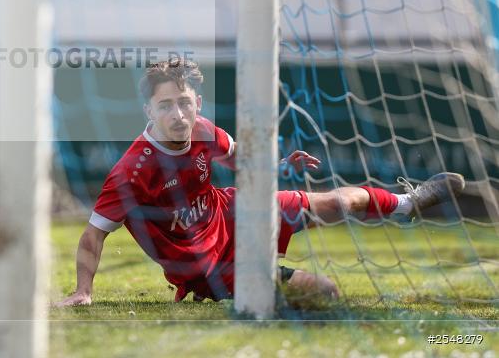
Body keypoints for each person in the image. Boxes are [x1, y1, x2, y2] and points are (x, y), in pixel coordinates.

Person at [57, 58, 465, 306]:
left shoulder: (203, 129)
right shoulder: (132, 170)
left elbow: (242, 162)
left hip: (232, 211)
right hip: (207, 265)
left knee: (332, 203)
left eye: (184, 102)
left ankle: (407, 204)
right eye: (166, 105)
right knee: (322, 292)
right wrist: (83, 290)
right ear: (149, 109)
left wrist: (283, 165)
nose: (178, 114)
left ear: (197, 102)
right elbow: (93, 235)